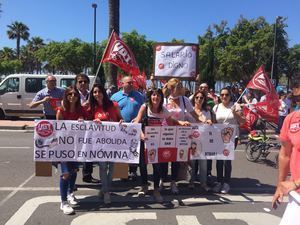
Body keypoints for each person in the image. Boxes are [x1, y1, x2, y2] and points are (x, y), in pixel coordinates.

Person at [133, 88, 190, 202]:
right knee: (143, 165)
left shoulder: (163, 109)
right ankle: (144, 186)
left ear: (161, 98)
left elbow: (170, 119)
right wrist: (141, 134)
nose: (156, 97)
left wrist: (180, 122)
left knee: (157, 167)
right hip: (144, 140)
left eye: (158, 95)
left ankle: (156, 190)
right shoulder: (145, 107)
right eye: (153, 95)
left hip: (157, 142)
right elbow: (136, 123)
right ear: (150, 97)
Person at [162, 78, 202, 194]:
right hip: (166, 133)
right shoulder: (164, 100)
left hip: (180, 134)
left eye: (181, 86)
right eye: (179, 86)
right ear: (172, 88)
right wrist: (178, 122)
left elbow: (194, 113)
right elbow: (164, 116)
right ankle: (161, 180)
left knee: (175, 159)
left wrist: (203, 121)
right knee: (163, 158)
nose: (181, 88)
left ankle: (173, 182)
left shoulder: (185, 100)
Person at [87, 84, 123, 204]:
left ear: (103, 92)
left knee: (112, 167)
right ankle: (107, 192)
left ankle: (104, 189)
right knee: (103, 167)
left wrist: (122, 121)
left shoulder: (114, 105)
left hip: (113, 142)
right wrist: (93, 122)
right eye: (94, 92)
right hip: (99, 143)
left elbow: (120, 119)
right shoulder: (91, 108)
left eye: (99, 91)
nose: (97, 94)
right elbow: (87, 124)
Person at [56, 86, 85, 215]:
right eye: (70, 94)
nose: (72, 96)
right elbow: (58, 130)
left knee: (73, 171)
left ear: (78, 97)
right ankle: (63, 202)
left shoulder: (81, 110)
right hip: (64, 147)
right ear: (66, 96)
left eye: (75, 94)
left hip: (77, 146)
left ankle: (70, 193)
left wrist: (82, 122)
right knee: (66, 173)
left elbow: (87, 127)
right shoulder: (61, 111)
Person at [272, 78, 300, 209]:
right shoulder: (291, 119)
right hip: (296, 196)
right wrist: (280, 184)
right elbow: (285, 154)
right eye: (296, 97)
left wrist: (296, 183)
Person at [212, 87, 245, 194]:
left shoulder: (236, 106)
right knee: (219, 160)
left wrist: (235, 113)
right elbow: (213, 121)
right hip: (218, 137)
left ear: (230, 95)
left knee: (227, 160)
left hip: (231, 137)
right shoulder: (216, 107)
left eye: (226, 95)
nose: (224, 97)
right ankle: (219, 182)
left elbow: (243, 121)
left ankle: (226, 183)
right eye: (222, 95)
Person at [111, 76, 144, 180]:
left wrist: (139, 118)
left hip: (135, 127)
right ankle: (122, 173)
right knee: (122, 149)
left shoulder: (139, 95)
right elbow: (111, 111)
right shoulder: (115, 96)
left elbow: (144, 109)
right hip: (121, 127)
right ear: (122, 84)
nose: (131, 84)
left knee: (134, 149)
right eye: (128, 83)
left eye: (132, 83)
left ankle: (133, 171)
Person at [75, 74, 99, 183]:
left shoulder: (92, 95)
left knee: (88, 151)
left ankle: (87, 175)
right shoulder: (72, 94)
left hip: (89, 128)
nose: (83, 84)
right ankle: (72, 179)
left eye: (85, 81)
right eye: (80, 82)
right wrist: (81, 106)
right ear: (76, 83)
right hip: (75, 128)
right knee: (75, 152)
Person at [187, 90, 213, 191]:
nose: (199, 99)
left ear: (204, 99)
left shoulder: (207, 112)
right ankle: (191, 181)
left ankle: (203, 183)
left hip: (203, 141)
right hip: (191, 140)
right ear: (194, 99)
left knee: (203, 164)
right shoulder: (189, 111)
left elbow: (209, 125)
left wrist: (210, 122)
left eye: (201, 98)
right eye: (197, 97)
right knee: (192, 163)